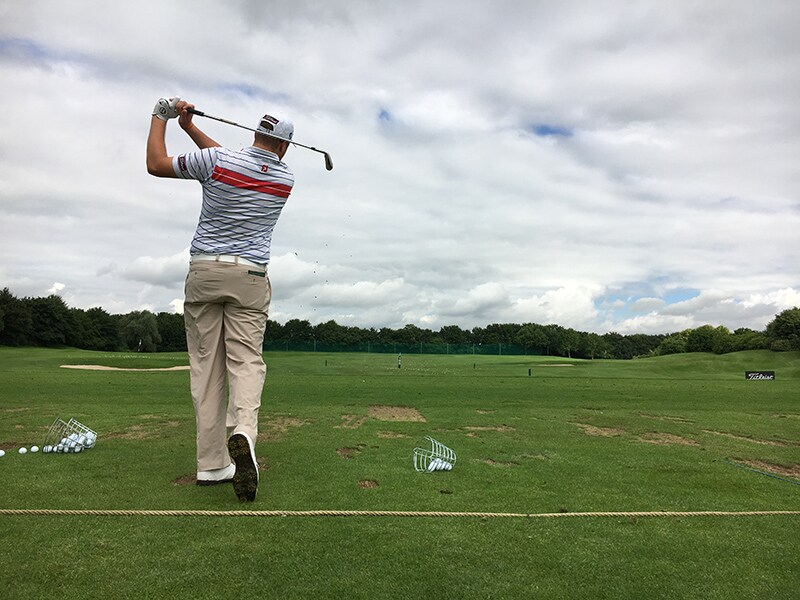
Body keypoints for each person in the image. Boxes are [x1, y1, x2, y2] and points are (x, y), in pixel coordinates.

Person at [146, 96, 295, 502]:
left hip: (205, 272)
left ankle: (212, 465)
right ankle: (243, 431)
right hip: (251, 277)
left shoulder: (217, 161)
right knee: (246, 361)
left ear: (255, 133)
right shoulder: (285, 179)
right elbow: (229, 160)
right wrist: (191, 128)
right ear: (283, 146)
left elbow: (157, 164)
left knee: (206, 367)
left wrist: (162, 116)